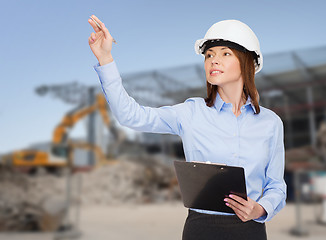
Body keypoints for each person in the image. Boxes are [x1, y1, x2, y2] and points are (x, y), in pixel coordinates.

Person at [88, 15, 286, 240]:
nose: (214, 60)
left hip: (250, 231)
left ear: (247, 61)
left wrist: (260, 209)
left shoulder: (270, 123)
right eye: (209, 55)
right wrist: (105, 58)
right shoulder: (190, 113)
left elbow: (276, 186)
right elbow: (130, 115)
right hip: (201, 229)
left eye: (225, 53)